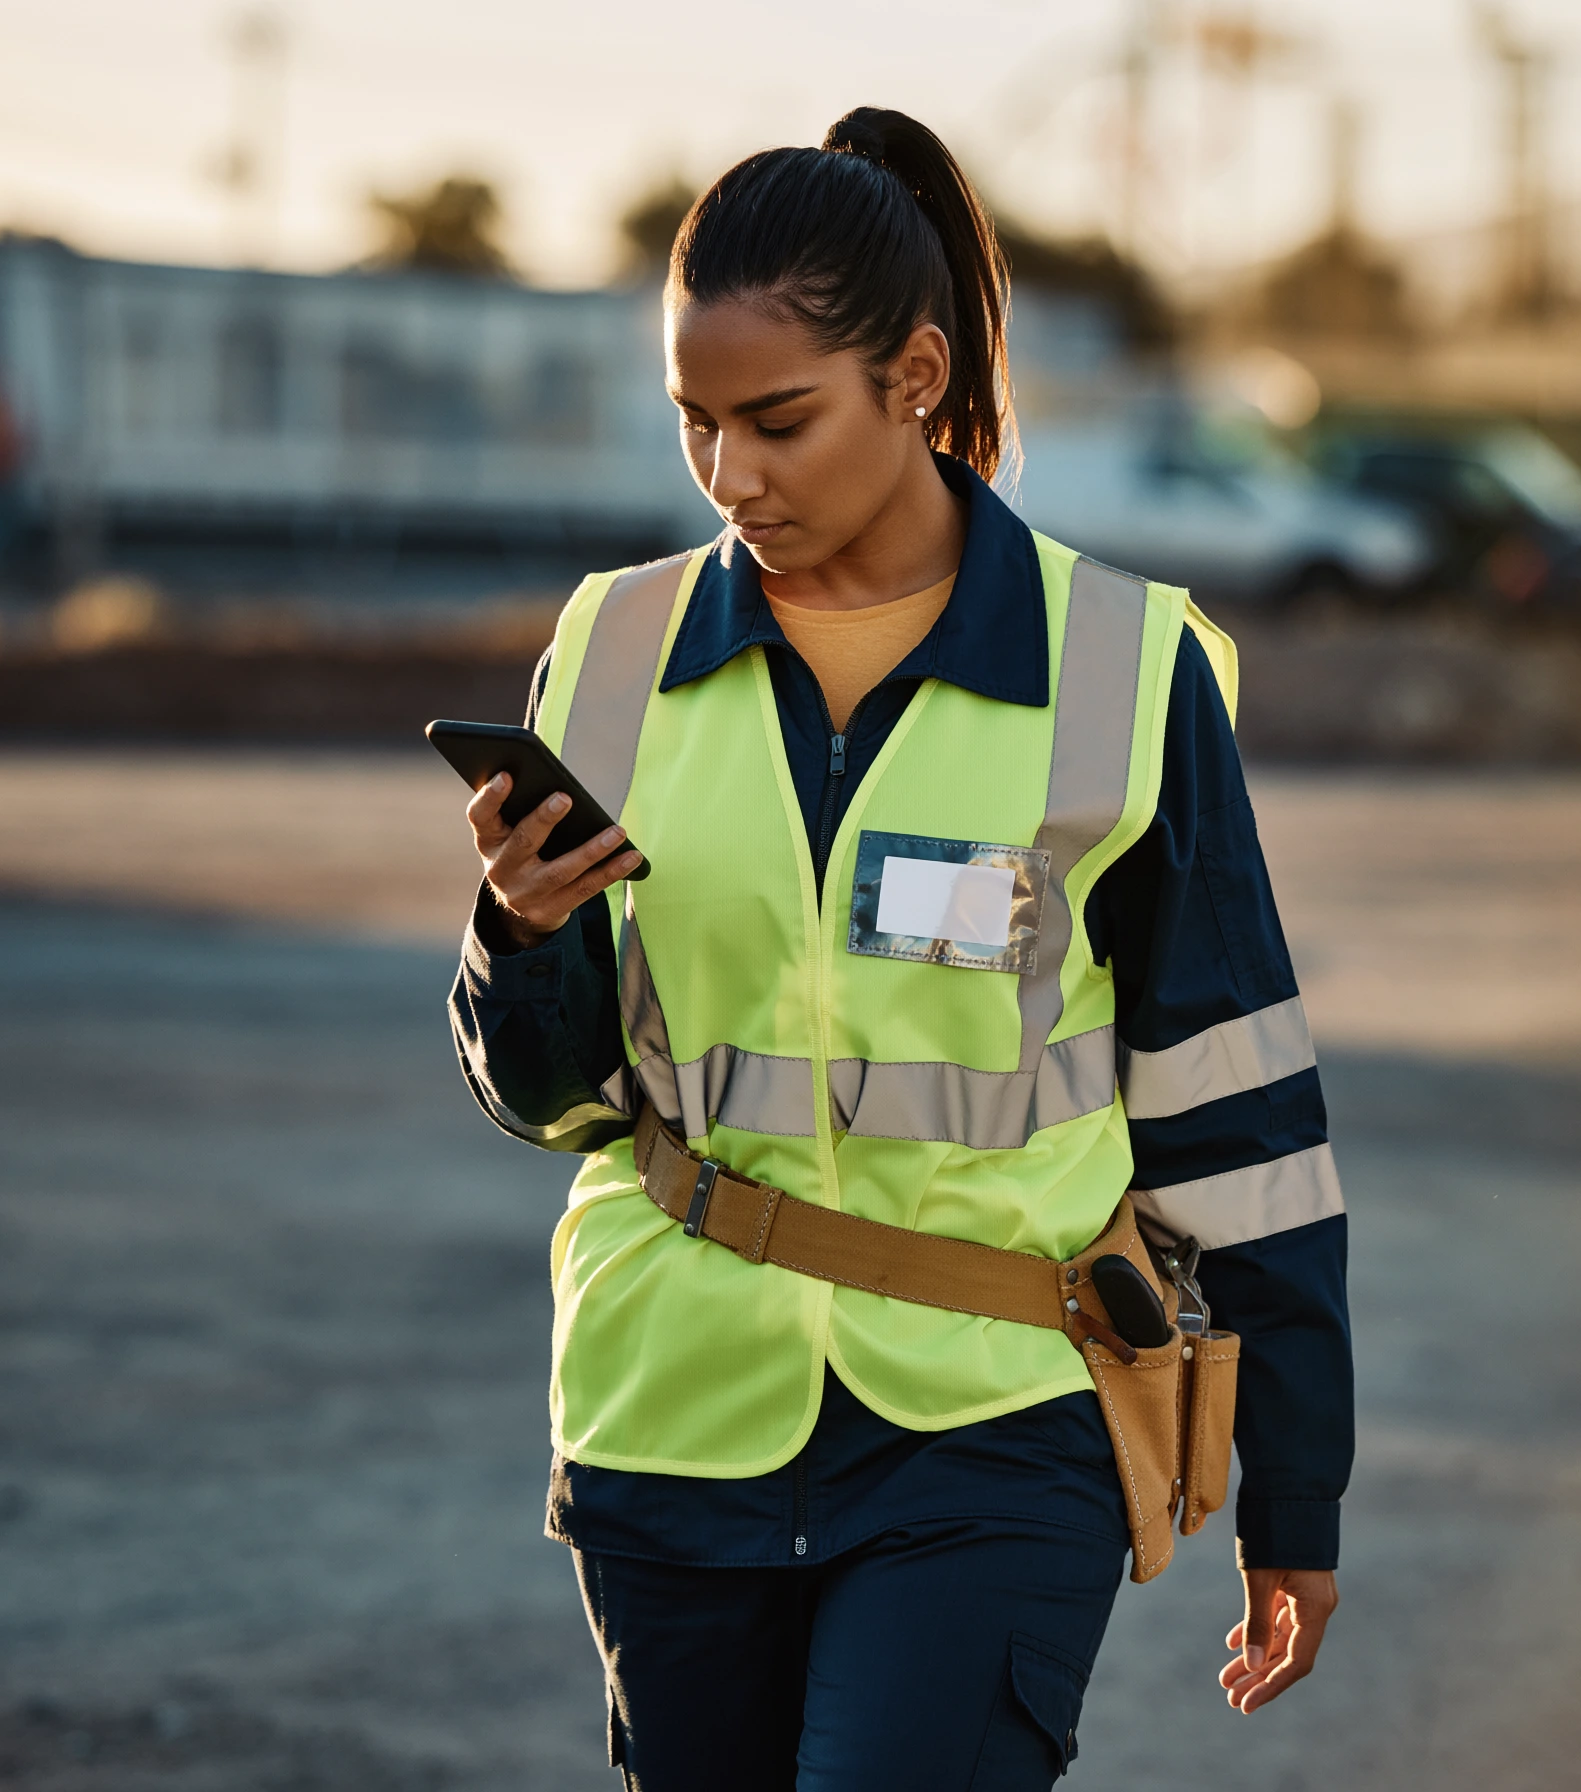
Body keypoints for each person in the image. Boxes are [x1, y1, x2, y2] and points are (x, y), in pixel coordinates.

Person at [449, 107, 1351, 1791]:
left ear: (917, 377)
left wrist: (1297, 1493)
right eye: (698, 425)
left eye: (778, 421)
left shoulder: (1125, 671)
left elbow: (1244, 1120)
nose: (732, 476)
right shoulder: (615, 648)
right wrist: (523, 936)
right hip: (673, 1421)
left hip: (995, 1421)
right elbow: (554, 1103)